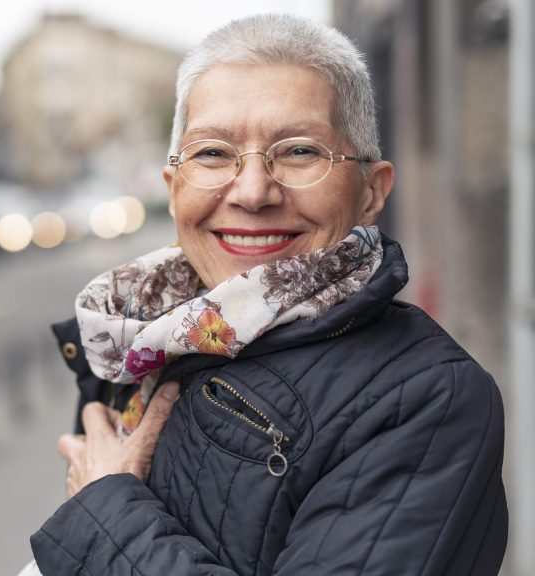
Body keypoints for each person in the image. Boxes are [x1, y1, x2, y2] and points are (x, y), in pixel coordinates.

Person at [29, 13, 508, 576]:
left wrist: (103, 507)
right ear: (173, 186)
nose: (253, 191)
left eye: (300, 151)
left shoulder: (426, 398)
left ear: (372, 192)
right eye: (212, 153)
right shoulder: (139, 334)